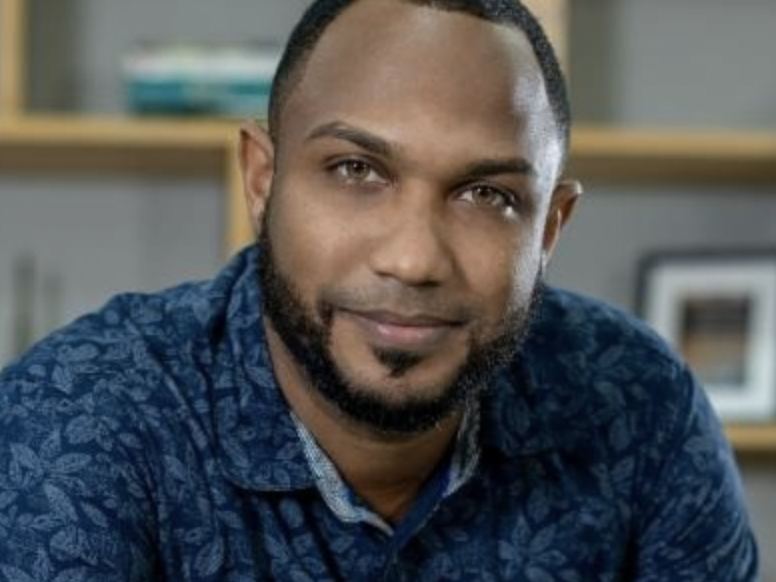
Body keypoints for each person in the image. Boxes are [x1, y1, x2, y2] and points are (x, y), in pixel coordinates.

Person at [0, 0, 759, 580]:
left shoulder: (640, 403)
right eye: (355, 170)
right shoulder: (78, 422)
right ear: (262, 180)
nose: (413, 258)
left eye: (488, 194)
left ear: (550, 229)